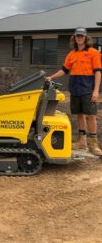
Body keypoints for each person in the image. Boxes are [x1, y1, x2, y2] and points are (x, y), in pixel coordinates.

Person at [46, 27, 102, 156]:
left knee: (91, 116)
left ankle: (94, 144)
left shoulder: (94, 53)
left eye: (82, 36)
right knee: (80, 115)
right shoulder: (71, 54)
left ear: (86, 38)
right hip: (75, 89)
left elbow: (98, 72)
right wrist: (52, 77)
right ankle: (81, 141)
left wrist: (96, 91)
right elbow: (64, 70)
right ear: (74, 38)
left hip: (88, 89)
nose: (79, 38)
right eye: (77, 36)